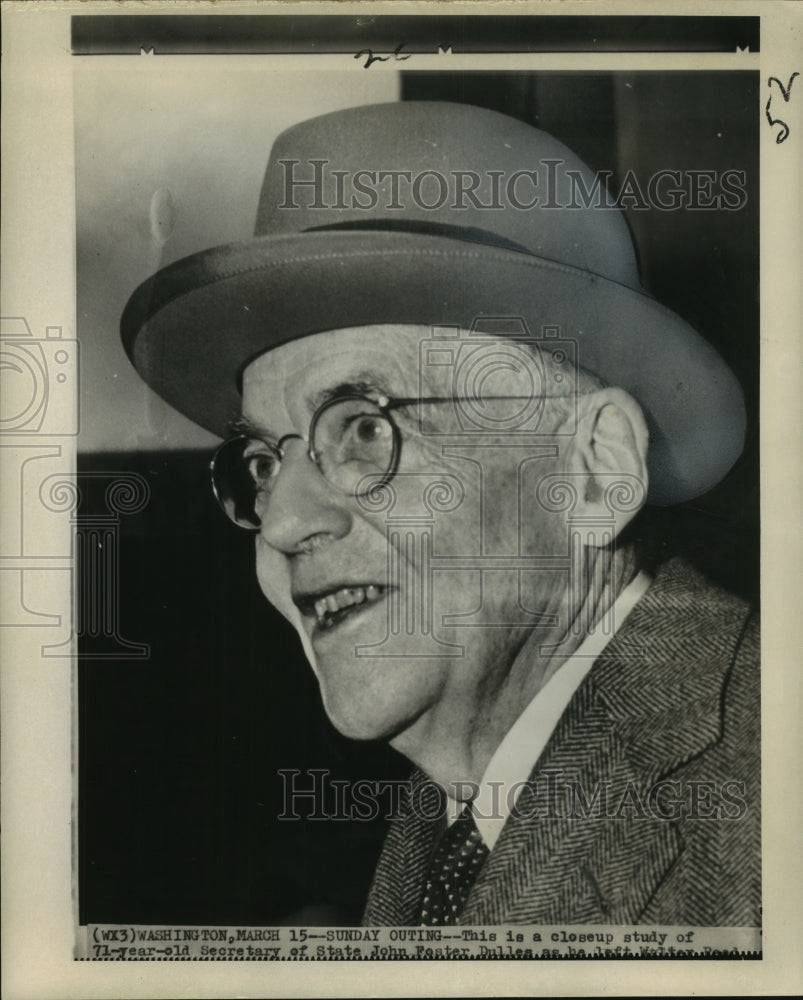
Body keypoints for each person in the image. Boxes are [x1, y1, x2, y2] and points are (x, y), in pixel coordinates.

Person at [121, 101, 760, 927]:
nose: (280, 524)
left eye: (361, 428)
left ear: (595, 469)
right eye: (262, 464)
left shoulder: (765, 804)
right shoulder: (461, 811)